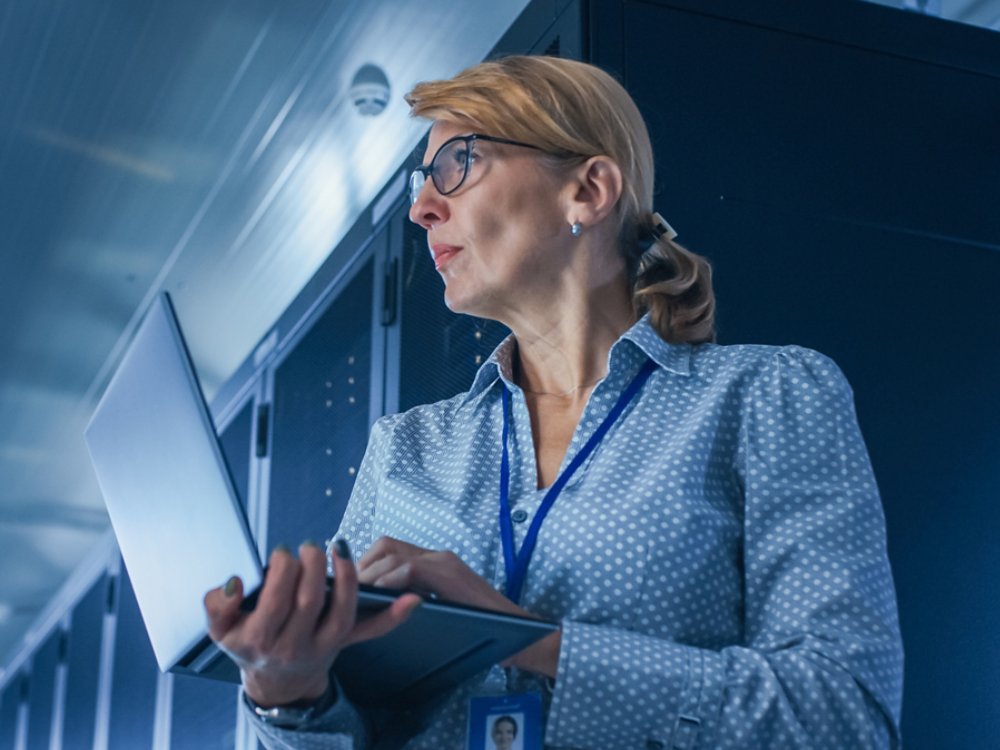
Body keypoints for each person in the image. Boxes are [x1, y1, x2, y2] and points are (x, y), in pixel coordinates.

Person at [204, 55, 903, 749]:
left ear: (589, 190)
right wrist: (286, 693)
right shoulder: (406, 449)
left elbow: (845, 717)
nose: (421, 209)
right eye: (423, 182)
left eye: (457, 164)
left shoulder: (767, 398)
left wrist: (531, 641)